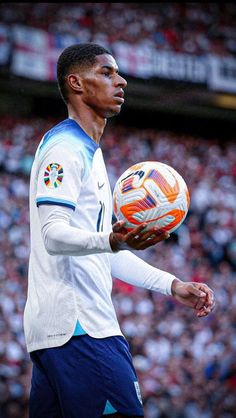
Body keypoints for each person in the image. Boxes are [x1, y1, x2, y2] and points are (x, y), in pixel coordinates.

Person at [23, 43, 215, 418]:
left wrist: (172, 285)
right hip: (83, 331)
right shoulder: (65, 148)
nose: (121, 80)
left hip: (61, 334)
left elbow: (100, 253)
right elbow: (53, 235)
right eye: (107, 73)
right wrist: (110, 239)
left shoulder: (91, 154)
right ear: (76, 83)